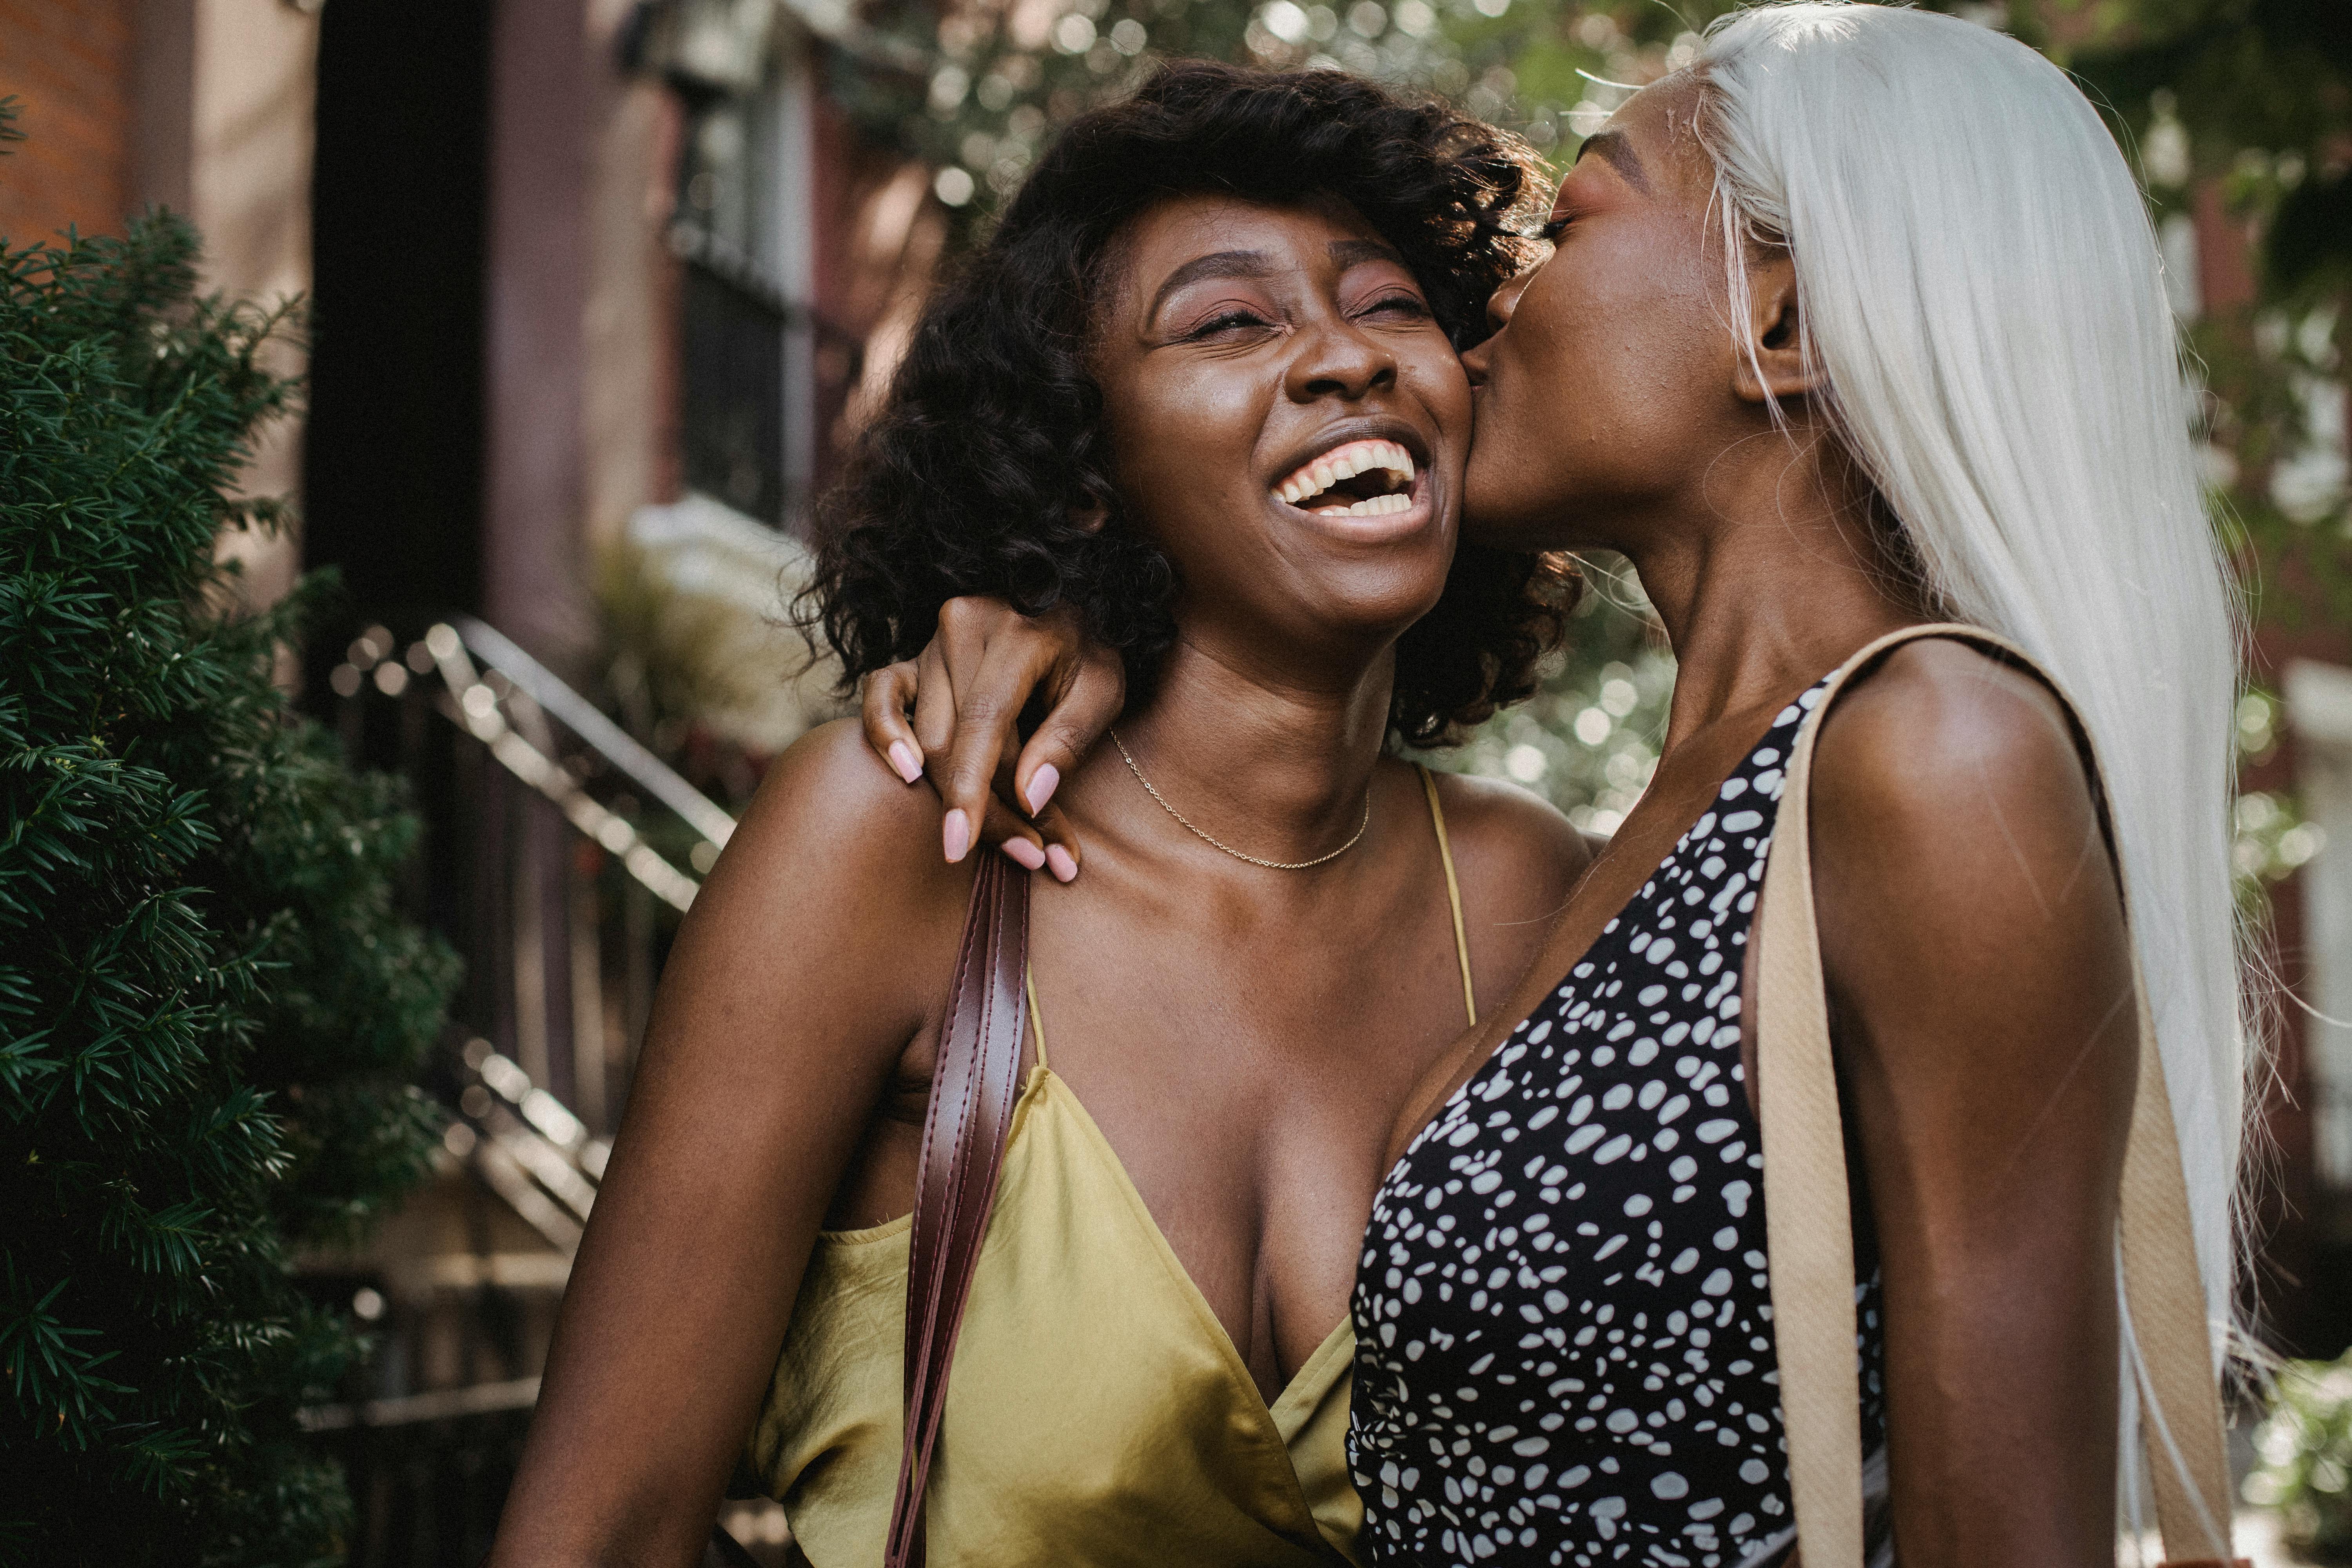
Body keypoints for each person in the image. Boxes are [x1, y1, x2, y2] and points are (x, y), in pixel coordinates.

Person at [860, 5, 2249, 1562]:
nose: (1479, 323)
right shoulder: (1662, 837)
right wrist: (1095, 608)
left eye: (1571, 224)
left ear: (1777, 327)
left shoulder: (1935, 754)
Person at [488, 64, 1604, 1568]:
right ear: (1086, 472)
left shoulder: (1537, 893)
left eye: (1391, 304)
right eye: (1228, 321)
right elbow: (603, 1531)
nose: (1346, 357)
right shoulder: (906, 844)